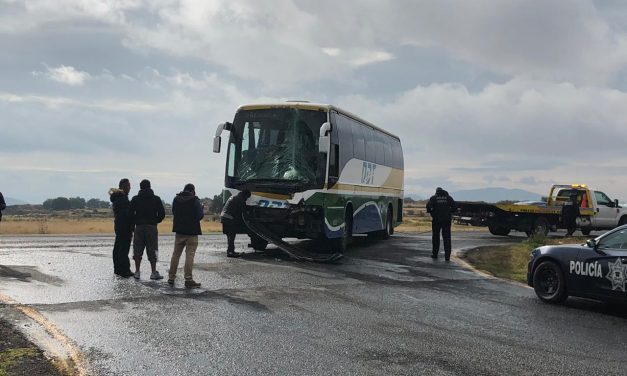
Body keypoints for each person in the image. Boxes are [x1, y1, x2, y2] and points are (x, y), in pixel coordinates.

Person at [168, 183, 204, 288]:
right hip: (192, 232)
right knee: (189, 256)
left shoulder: (176, 199)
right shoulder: (195, 200)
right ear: (193, 191)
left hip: (179, 231)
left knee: (176, 255)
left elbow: (174, 212)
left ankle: (171, 277)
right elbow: (199, 216)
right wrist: (201, 209)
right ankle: (188, 279)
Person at [130, 179, 166, 280]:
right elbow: (162, 214)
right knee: (152, 249)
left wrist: (135, 222)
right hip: (152, 227)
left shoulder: (135, 199)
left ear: (140, 187)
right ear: (150, 186)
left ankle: (137, 272)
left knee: (137, 249)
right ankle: (153, 272)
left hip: (139, 227)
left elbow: (130, 214)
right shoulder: (156, 199)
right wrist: (155, 221)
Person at [109, 179, 134, 278]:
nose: (130, 188)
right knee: (123, 248)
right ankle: (125, 270)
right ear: (124, 187)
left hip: (118, 225)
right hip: (124, 226)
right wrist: (131, 227)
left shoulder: (117, 198)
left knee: (118, 247)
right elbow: (127, 215)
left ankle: (117, 269)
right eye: (129, 186)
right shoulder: (123, 199)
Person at [426, 187, 457, 261]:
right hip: (446, 220)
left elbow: (428, 207)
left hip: (436, 220)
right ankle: (447, 257)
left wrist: (432, 213)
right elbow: (455, 207)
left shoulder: (433, 198)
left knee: (435, 237)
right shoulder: (448, 198)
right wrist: (450, 212)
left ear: (437, 192)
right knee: (447, 238)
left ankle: (435, 254)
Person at [220, 190, 251, 258]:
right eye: (247, 198)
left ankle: (230, 251)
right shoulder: (240, 199)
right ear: (245, 195)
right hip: (229, 218)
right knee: (232, 235)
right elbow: (243, 211)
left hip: (224, 217)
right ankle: (230, 252)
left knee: (229, 235)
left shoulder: (235, 196)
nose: (247, 199)